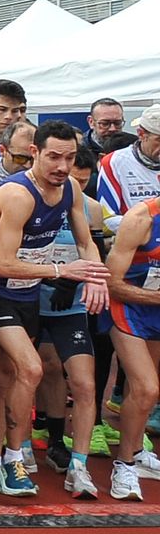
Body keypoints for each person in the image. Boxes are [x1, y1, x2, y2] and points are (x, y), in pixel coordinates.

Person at [0, 120, 108, 497]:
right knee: (31, 368)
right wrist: (59, 270)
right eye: (54, 156)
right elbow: (2, 263)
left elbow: (86, 242)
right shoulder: (17, 196)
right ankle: (16, 460)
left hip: (27, 295)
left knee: (6, 377)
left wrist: (96, 276)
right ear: (34, 152)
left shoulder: (70, 189)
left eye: (69, 157)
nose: (63, 166)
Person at [40, 145, 112, 499]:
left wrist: (87, 279)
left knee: (83, 384)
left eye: (82, 178)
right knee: (43, 369)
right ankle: (32, 443)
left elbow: (90, 246)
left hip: (70, 305)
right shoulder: (26, 197)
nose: (73, 180)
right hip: (33, 299)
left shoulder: (90, 208)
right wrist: (54, 278)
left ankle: (79, 465)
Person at [105, 195, 160, 499]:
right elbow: (112, 282)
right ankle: (123, 465)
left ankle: (138, 452)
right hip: (127, 307)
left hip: (155, 309)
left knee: (148, 389)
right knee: (146, 387)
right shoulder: (141, 219)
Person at [97, 103, 160, 215]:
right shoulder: (114, 162)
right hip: (135, 230)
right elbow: (107, 218)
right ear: (141, 134)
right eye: (159, 140)